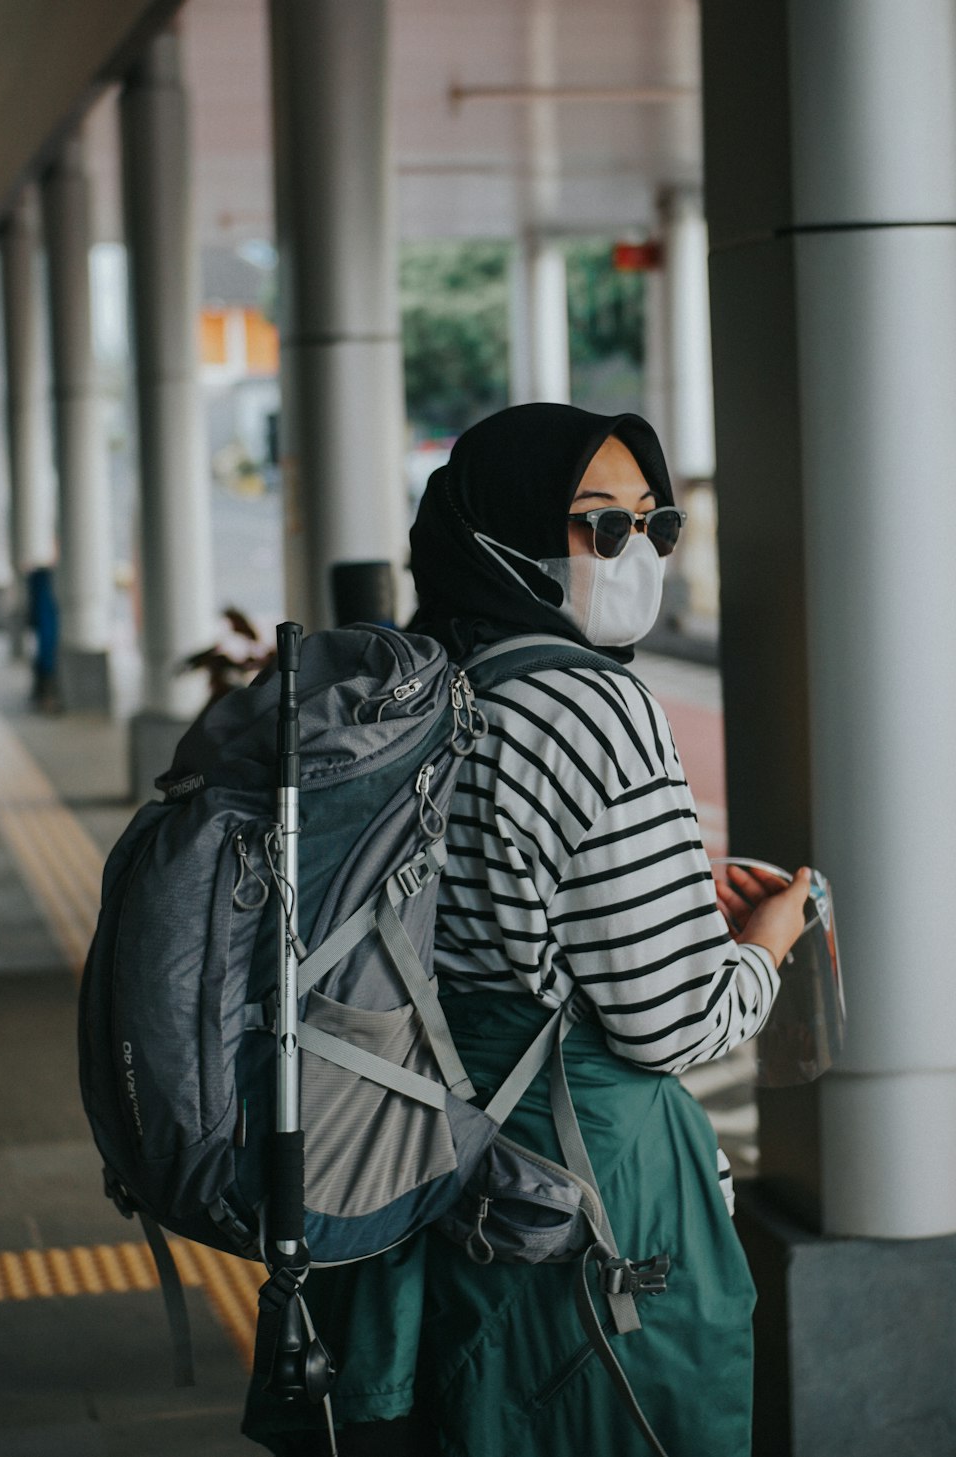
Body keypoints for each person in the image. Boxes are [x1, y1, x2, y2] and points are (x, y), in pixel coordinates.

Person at [244, 403, 809, 1457]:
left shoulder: (407, 686)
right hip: (578, 1196)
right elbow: (670, 1023)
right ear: (504, 531)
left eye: (655, 526)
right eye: (601, 525)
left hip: (413, 1160)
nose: (634, 554)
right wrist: (763, 942)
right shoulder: (596, 711)